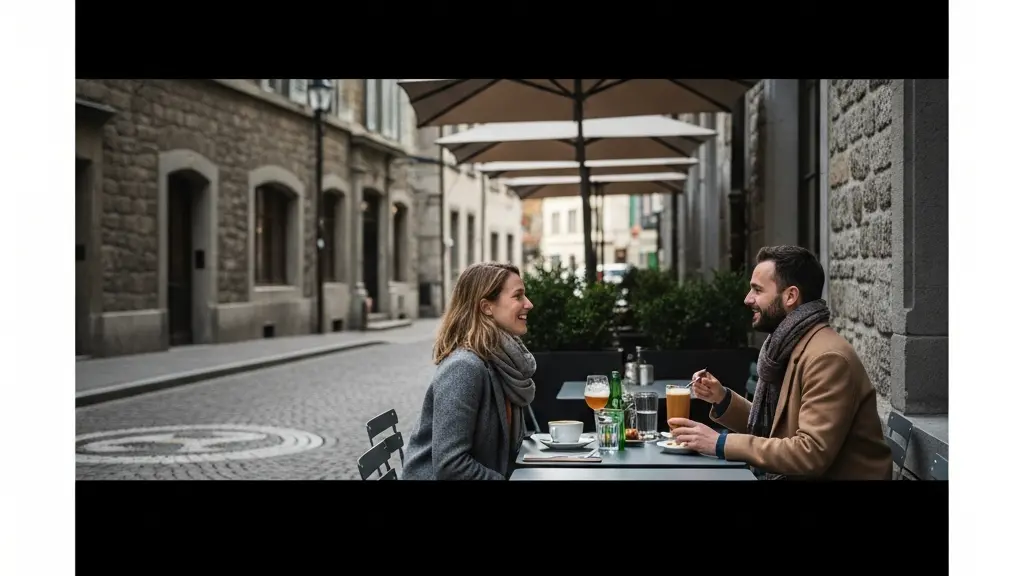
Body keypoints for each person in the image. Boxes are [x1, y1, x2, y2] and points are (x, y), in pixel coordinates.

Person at [669, 245, 892, 480]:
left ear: (790, 296)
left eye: (757, 290)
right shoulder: (789, 345)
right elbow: (773, 429)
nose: (748, 299)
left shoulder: (827, 359)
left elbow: (810, 454)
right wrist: (722, 399)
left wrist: (720, 443)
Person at [401, 262, 536, 480]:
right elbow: (451, 466)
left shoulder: (501, 361)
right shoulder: (464, 368)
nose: (528, 304)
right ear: (486, 307)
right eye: (518, 296)